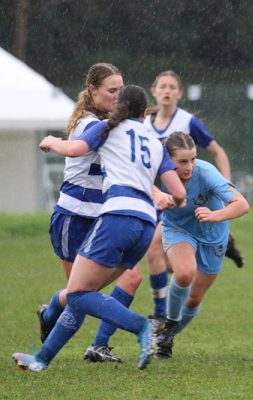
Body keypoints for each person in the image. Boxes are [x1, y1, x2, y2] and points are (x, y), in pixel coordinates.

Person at [13, 85, 186, 372]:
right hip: (146, 224)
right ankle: (42, 359)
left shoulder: (108, 128)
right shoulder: (156, 142)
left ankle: (140, 325)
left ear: (119, 107)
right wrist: (171, 202)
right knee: (84, 293)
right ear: (144, 113)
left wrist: (52, 141)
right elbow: (178, 193)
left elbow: (75, 149)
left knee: (77, 293)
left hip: (117, 217)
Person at [36, 63, 144, 363]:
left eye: (121, 90)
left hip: (103, 218)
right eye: (112, 90)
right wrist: (55, 142)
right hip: (74, 217)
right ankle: (51, 316)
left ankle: (97, 343)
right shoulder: (89, 124)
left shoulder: (111, 123)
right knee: (79, 295)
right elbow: (78, 147)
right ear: (93, 90)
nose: (118, 95)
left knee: (131, 277)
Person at [143, 70, 244, 326]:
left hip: (195, 203)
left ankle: (164, 316)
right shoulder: (144, 125)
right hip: (166, 204)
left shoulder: (189, 122)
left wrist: (222, 189)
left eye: (172, 87)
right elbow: (140, 169)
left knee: (167, 261)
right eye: (162, 86)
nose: (167, 91)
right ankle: (161, 313)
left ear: (180, 93)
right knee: (160, 256)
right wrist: (155, 192)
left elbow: (218, 151)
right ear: (154, 91)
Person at [152, 132, 250, 359]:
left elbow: (242, 205)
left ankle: (168, 336)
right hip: (178, 229)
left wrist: (215, 215)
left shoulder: (206, 173)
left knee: (195, 298)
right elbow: (138, 180)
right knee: (185, 273)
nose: (189, 167)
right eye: (182, 161)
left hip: (213, 235)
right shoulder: (157, 171)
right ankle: (169, 328)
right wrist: (156, 193)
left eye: (193, 159)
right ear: (168, 160)